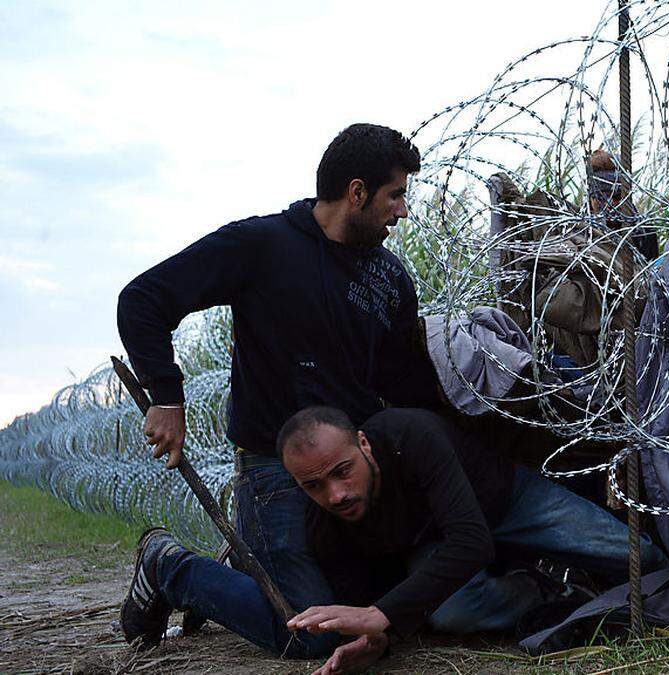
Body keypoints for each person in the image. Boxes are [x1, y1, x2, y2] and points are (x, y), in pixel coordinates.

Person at [116, 123, 441, 658]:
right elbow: (144, 300)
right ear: (357, 192)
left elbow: (401, 382)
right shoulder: (262, 246)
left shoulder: (389, 279)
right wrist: (166, 397)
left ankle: (247, 576)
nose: (402, 212)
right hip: (277, 475)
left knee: (387, 612)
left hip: (357, 475)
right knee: (311, 639)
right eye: (396, 195)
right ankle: (169, 567)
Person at [281, 406, 666, 673]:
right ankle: (551, 591)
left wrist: (380, 616)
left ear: (363, 444)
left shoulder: (411, 434)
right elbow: (370, 602)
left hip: (505, 502)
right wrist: (374, 640)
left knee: (642, 558)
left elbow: (471, 541)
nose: (335, 494)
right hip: (441, 544)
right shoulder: (323, 523)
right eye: (313, 485)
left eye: (343, 471)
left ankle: (555, 566)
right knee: (454, 613)